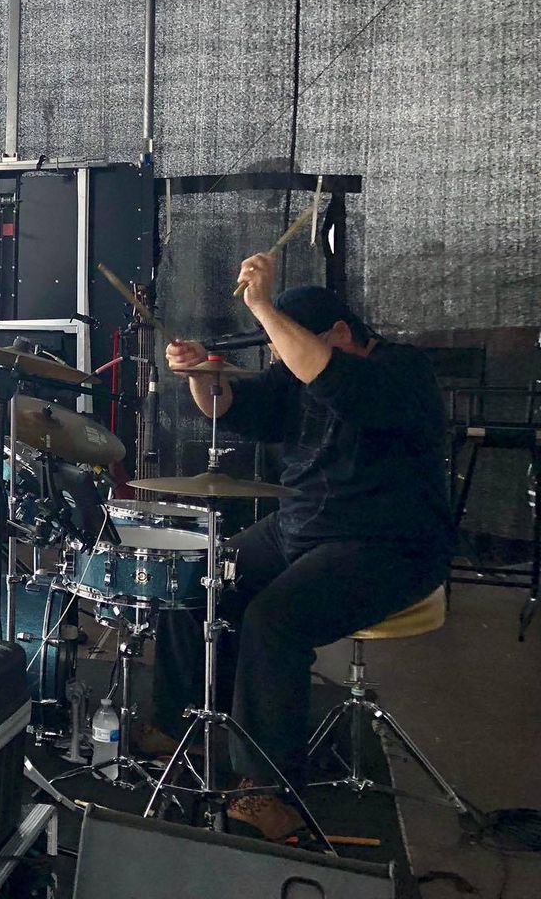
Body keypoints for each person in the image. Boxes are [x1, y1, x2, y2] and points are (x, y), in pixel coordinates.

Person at [148, 265, 452, 842]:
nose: (282, 361)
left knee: (274, 621)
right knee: (199, 578)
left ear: (340, 333)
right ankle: (182, 722)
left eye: (286, 344)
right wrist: (203, 375)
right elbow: (233, 406)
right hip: (300, 525)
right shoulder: (296, 371)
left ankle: (272, 789)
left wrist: (263, 307)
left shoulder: (401, 371)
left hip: (387, 542)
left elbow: (333, 380)